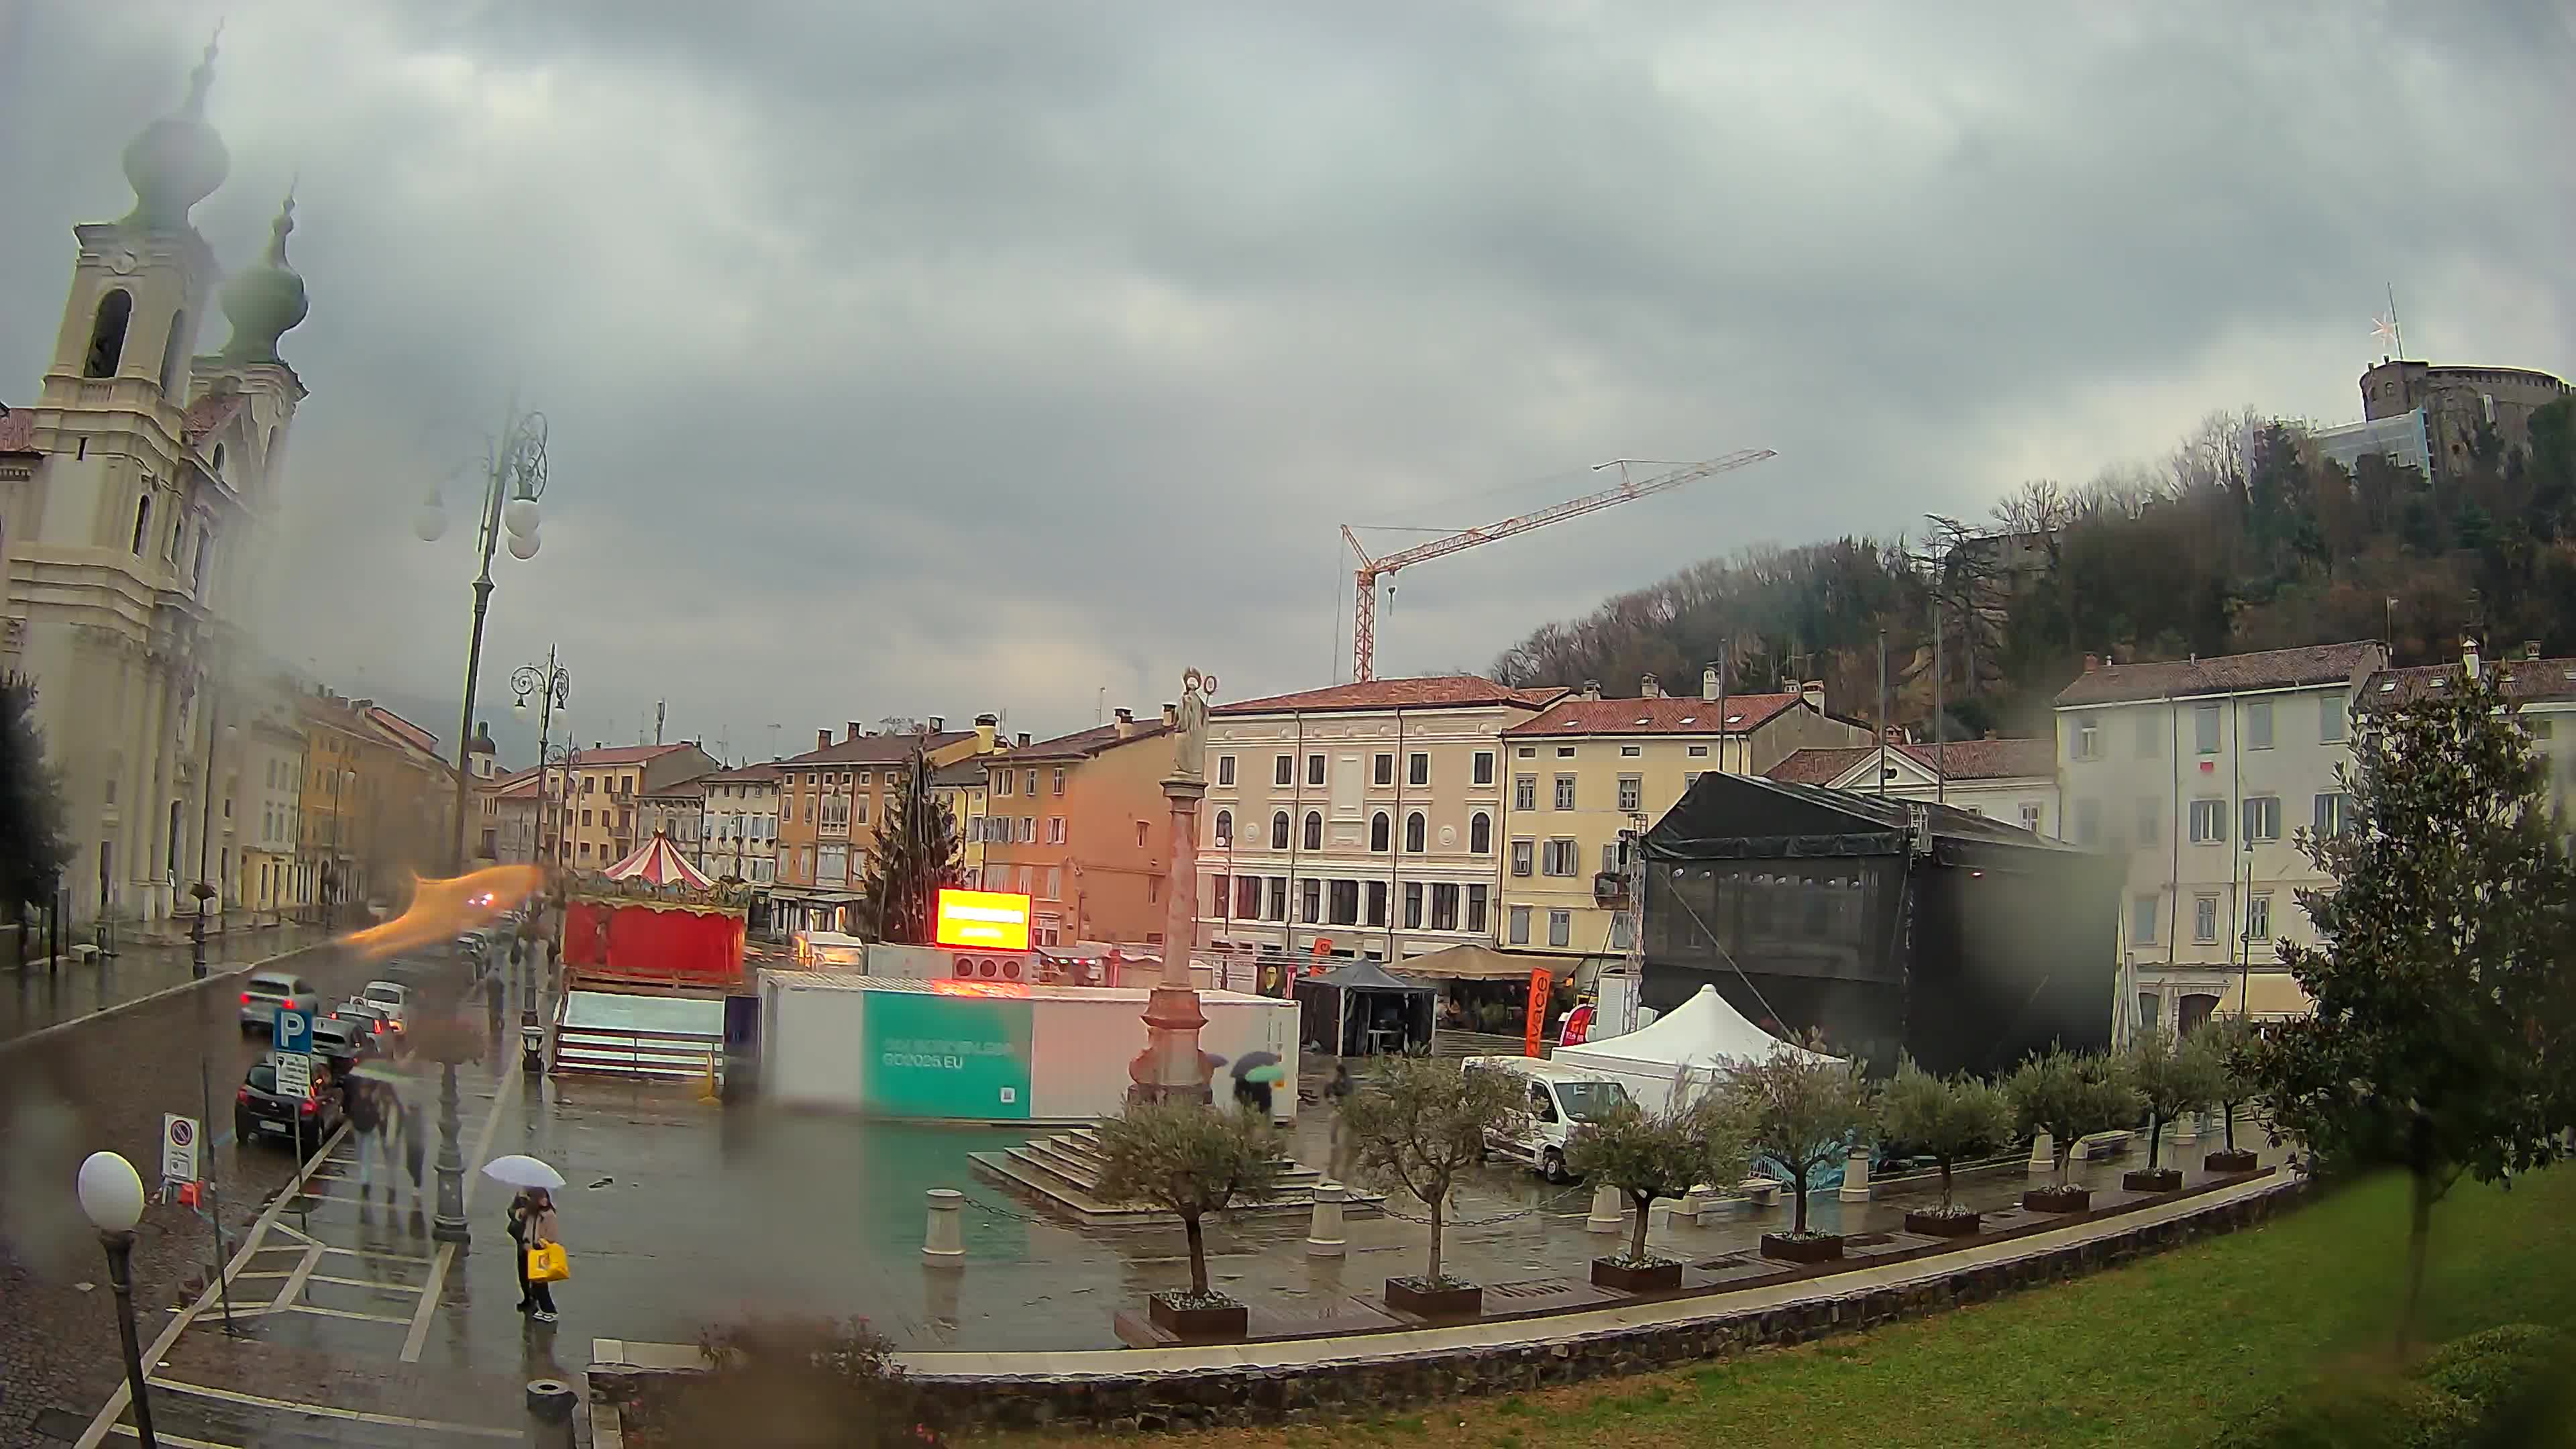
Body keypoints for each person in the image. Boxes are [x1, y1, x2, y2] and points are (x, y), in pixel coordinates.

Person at [517, 1188, 561, 1323]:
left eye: (546, 1198)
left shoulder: (549, 1215)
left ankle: (550, 1310)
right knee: (534, 1282)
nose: (545, 1200)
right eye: (541, 1198)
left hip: (540, 1252)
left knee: (540, 1283)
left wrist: (540, 1243)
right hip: (529, 1250)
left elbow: (552, 1236)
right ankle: (542, 1309)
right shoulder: (532, 1213)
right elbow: (518, 1217)